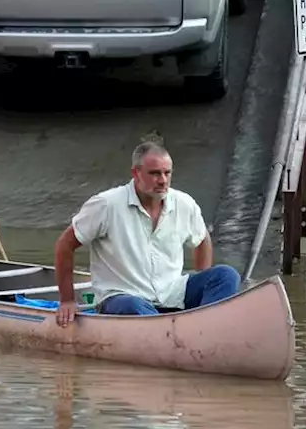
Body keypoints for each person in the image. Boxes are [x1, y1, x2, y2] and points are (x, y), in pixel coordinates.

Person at [52, 139, 241, 326]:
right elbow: (65, 245)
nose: (163, 180)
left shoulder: (184, 204)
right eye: (155, 174)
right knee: (131, 305)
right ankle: (179, 335)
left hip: (172, 293)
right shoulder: (106, 205)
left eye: (167, 173)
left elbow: (202, 239)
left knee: (226, 275)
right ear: (136, 173)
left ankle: (204, 328)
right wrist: (67, 300)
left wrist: (202, 280)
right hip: (123, 297)